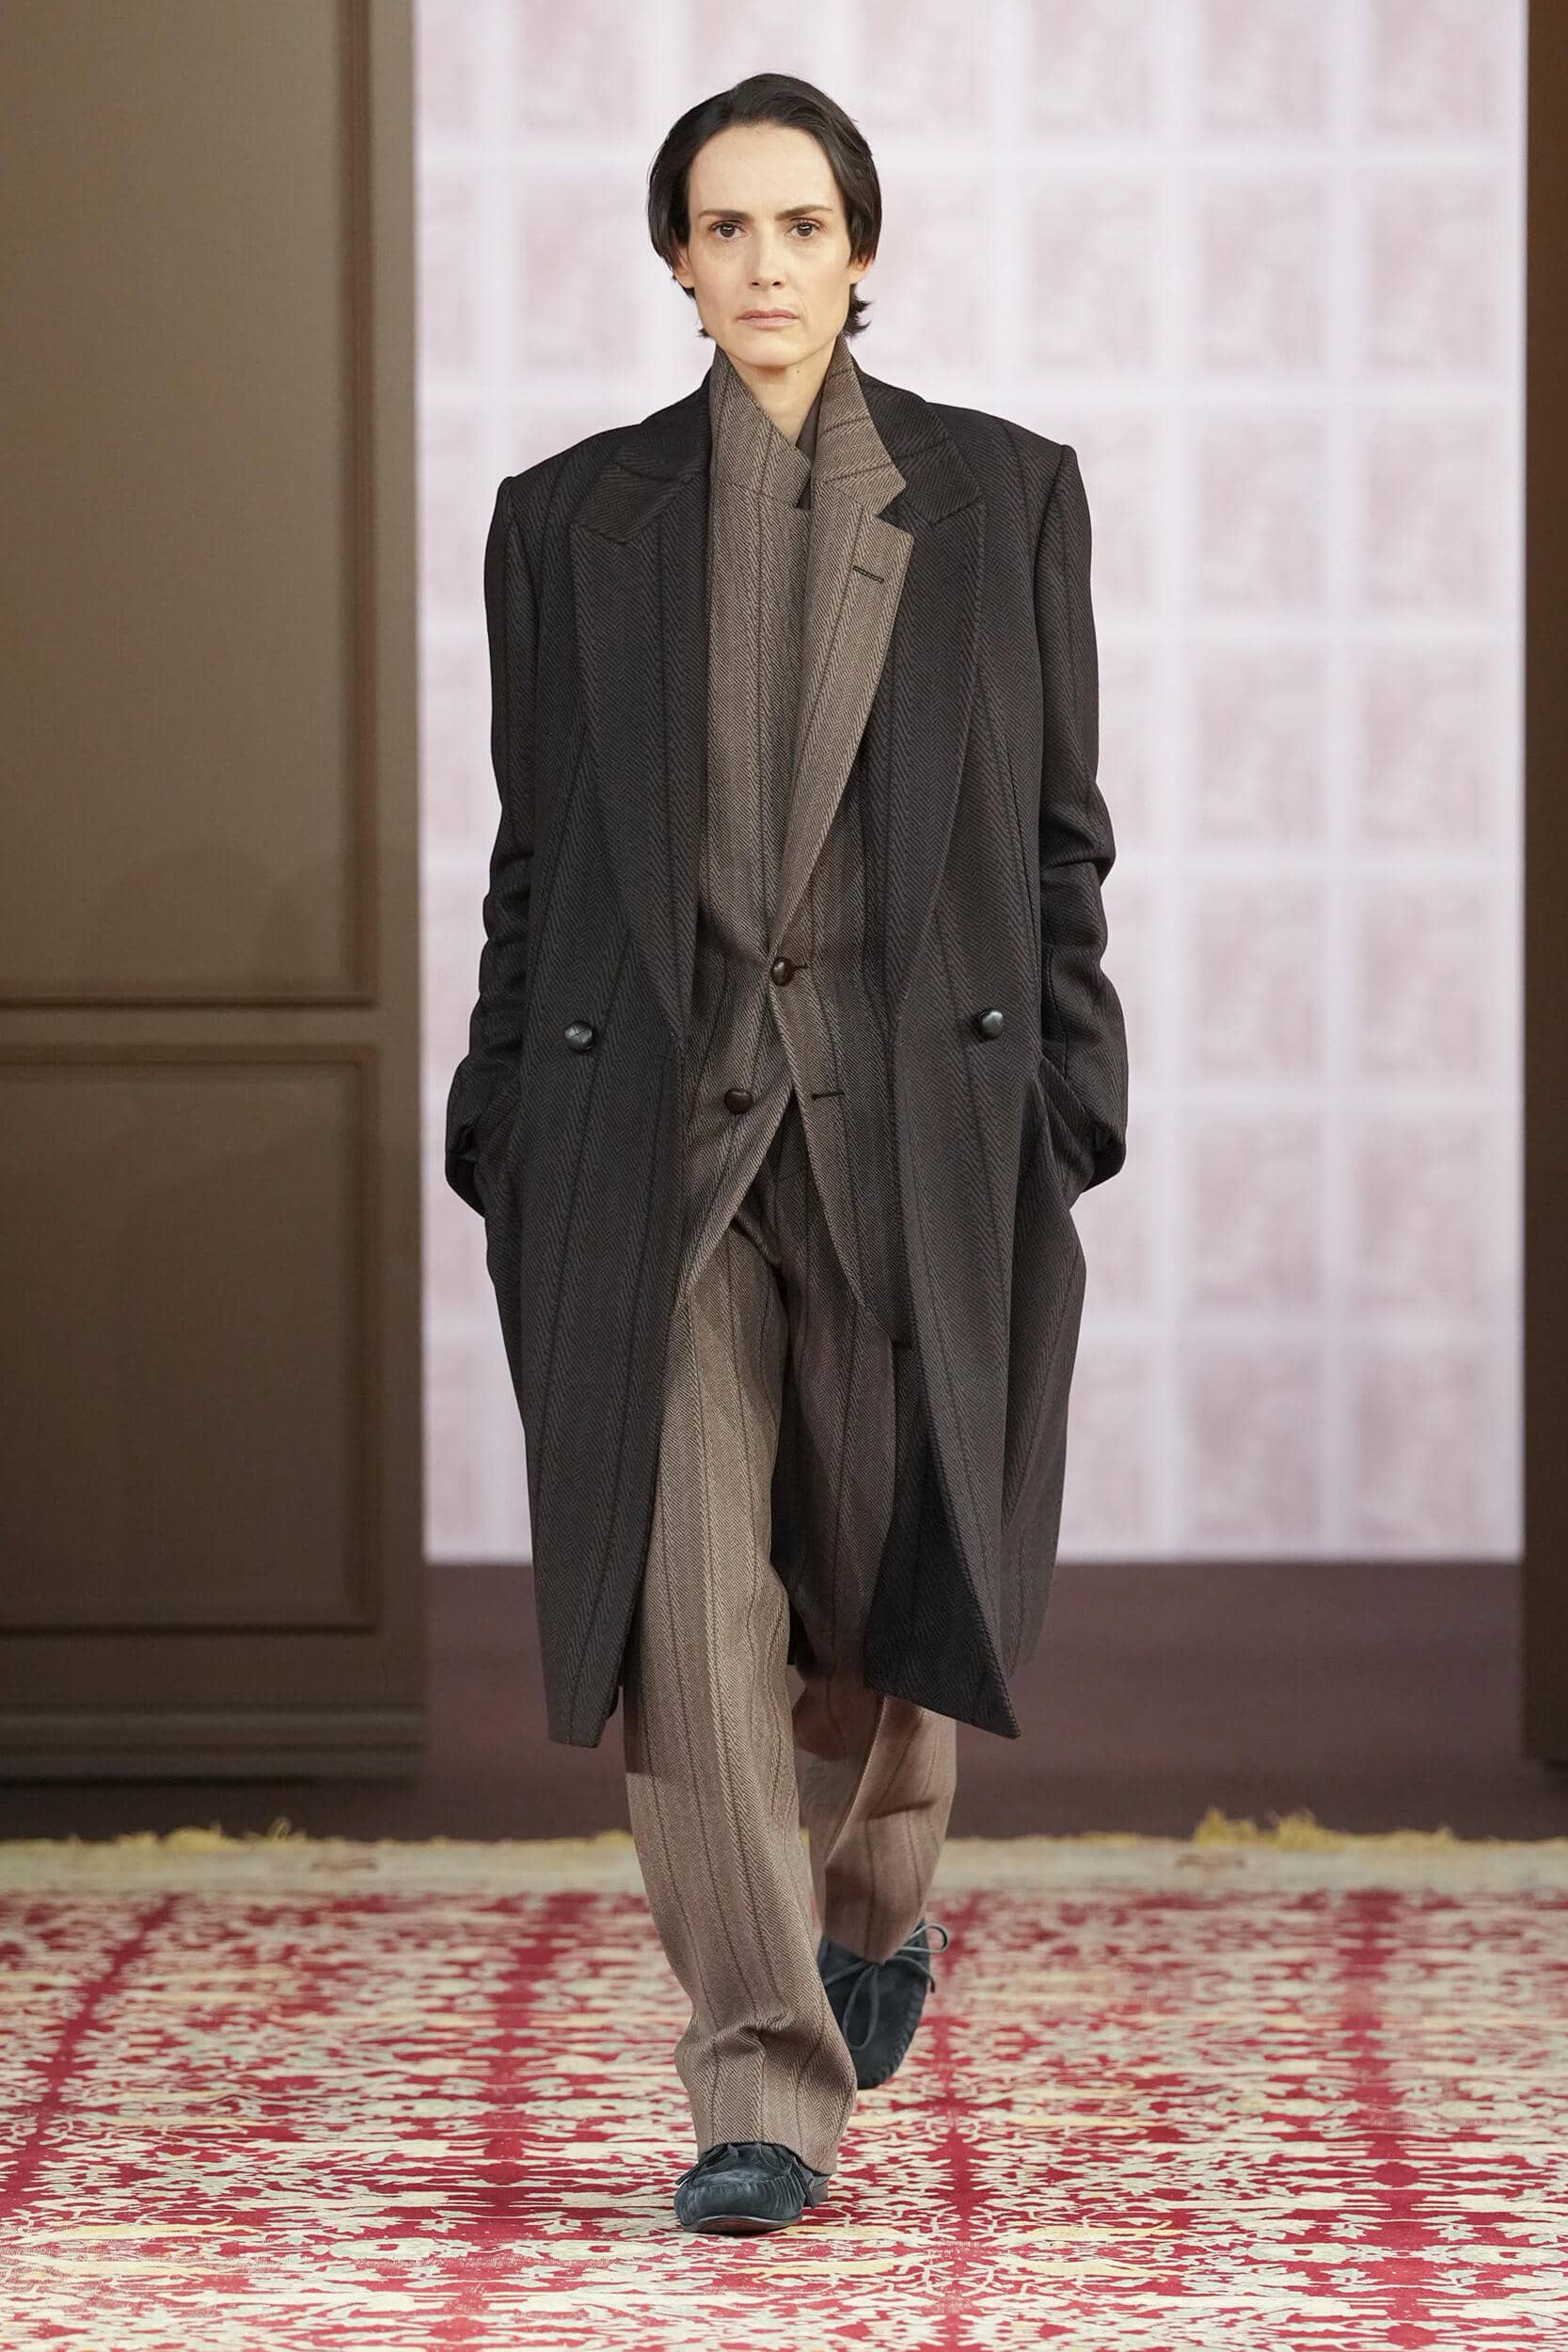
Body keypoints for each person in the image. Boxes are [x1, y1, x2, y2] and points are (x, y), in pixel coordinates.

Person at [444, 72, 1128, 2235]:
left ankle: (874, 1897)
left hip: (922, 1129)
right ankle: (758, 2069)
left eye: (800, 225)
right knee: (692, 1609)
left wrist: (1071, 1103)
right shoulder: (570, 521)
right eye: (724, 227)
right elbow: (537, 858)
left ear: (861, 248)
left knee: (894, 1574)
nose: (763, 264)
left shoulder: (1001, 497)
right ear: (675, 258)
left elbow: (1060, 845)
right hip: (655, 1148)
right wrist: (502, 1118)